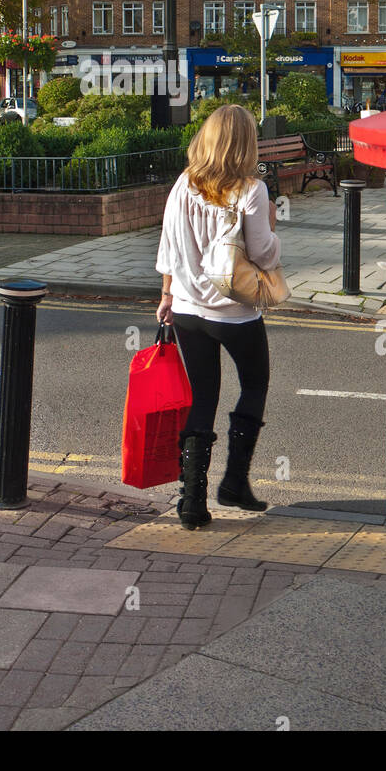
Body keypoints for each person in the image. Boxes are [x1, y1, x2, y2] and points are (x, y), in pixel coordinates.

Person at [156, 104, 281, 530]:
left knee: (203, 397)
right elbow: (263, 254)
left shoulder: (183, 183)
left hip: (190, 310)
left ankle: (192, 501)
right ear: (245, 143)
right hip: (237, 312)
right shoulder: (252, 190)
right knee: (255, 383)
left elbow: (169, 246)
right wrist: (273, 228)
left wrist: (167, 294)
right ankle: (233, 482)